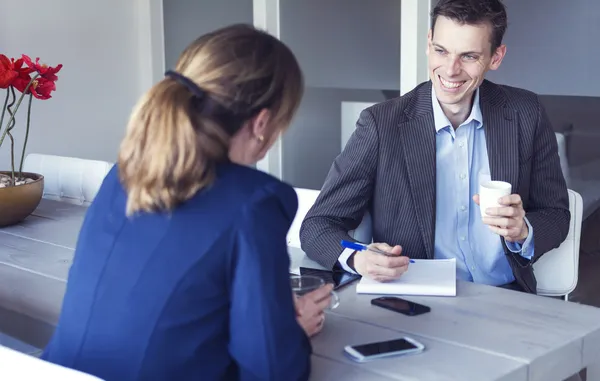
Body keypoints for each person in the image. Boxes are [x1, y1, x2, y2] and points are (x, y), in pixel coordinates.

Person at [41, 24, 328, 380]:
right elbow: (272, 371)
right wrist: (290, 329)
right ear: (262, 123)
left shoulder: (122, 175)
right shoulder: (254, 203)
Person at [300, 0, 570, 293]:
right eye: (441, 51)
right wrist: (357, 258)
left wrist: (524, 231)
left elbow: (555, 214)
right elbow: (319, 224)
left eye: (468, 56)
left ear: (496, 57)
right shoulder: (381, 124)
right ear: (429, 43)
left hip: (508, 294)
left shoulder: (526, 113)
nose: (451, 70)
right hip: (417, 298)